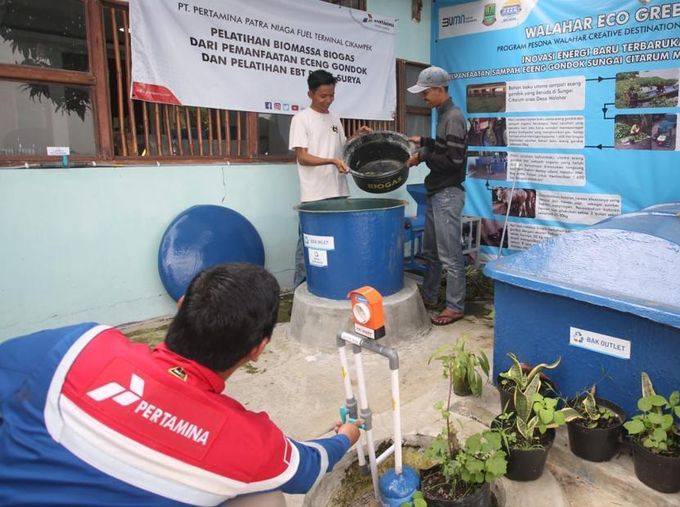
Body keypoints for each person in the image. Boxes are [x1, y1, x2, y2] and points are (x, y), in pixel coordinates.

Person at [0, 263, 361, 505]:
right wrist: (346, 435)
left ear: (181, 304)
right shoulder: (249, 443)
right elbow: (307, 467)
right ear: (258, 349)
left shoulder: (79, 347)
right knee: (262, 500)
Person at [289, 69, 369, 289]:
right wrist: (332, 162)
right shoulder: (301, 119)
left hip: (339, 191)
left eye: (331, 95)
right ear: (310, 94)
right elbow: (302, 157)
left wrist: (356, 136)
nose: (328, 100)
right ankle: (300, 290)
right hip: (315, 195)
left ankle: (333, 285)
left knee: (338, 243)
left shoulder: (335, 118)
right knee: (309, 245)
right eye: (323, 95)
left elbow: (340, 147)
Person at [406, 66, 468, 326]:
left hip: (447, 195)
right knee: (431, 252)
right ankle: (430, 296)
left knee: (449, 255)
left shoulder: (453, 116)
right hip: (436, 193)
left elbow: (453, 160)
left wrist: (424, 155)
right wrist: (424, 144)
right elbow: (444, 147)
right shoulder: (443, 114)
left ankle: (455, 306)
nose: (423, 98)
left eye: (425, 93)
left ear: (439, 90)